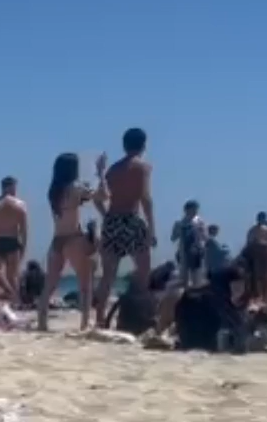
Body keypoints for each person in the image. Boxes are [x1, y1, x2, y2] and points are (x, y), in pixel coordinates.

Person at [37, 152, 101, 331]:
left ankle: (42, 322)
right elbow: (101, 196)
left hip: (57, 239)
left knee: (50, 284)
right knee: (85, 284)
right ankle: (84, 324)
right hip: (74, 237)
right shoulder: (75, 187)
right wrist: (100, 173)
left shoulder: (54, 191)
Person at [98, 128, 156, 315]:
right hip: (131, 218)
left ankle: (99, 317)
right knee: (144, 268)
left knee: (108, 274)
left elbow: (100, 198)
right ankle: (141, 311)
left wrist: (106, 215)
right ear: (144, 145)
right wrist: (151, 228)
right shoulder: (142, 167)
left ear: (124, 146)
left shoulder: (112, 170)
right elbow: (145, 198)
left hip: (113, 219)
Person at [0, 176, 29, 301]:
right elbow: (24, 230)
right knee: (12, 276)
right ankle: (15, 302)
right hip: (12, 241)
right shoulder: (20, 205)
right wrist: (24, 247)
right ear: (11, 187)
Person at [170, 199, 208, 288]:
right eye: (193, 209)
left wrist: (201, 232)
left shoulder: (200, 222)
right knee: (183, 278)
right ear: (187, 210)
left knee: (197, 278)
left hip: (197, 252)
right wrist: (179, 231)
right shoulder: (179, 223)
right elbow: (173, 238)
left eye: (196, 209)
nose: (195, 211)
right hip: (184, 252)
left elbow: (206, 238)